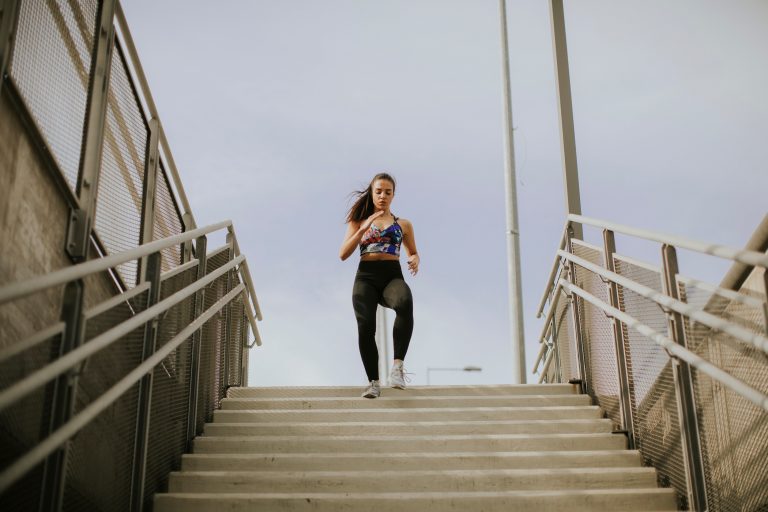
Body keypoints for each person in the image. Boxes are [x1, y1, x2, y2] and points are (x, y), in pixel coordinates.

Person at [339, 173, 419, 398]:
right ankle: (373, 382)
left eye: (388, 192)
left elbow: (412, 252)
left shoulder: (403, 224)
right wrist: (364, 229)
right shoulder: (358, 220)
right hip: (366, 277)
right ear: (372, 194)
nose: (383, 196)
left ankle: (397, 368)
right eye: (379, 191)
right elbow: (343, 254)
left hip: (392, 276)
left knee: (405, 302)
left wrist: (414, 259)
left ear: (394, 195)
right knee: (366, 326)